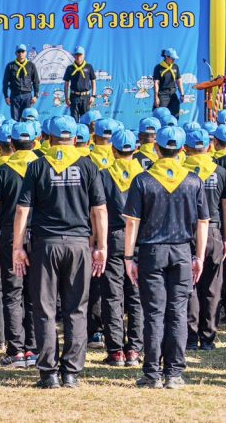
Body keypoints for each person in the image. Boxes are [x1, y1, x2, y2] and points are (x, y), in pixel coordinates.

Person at [12, 115, 107, 389]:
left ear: (46, 138)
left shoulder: (37, 166)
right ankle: (71, 373)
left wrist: (17, 247)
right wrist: (101, 246)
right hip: (78, 244)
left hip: (46, 244)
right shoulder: (88, 165)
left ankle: (49, 374)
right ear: (75, 139)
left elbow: (22, 210)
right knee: (76, 309)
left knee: (45, 309)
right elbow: (99, 210)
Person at [124, 126, 209, 389]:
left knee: (154, 313)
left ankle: (152, 373)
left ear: (156, 149)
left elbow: (132, 222)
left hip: (152, 252)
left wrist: (128, 257)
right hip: (182, 251)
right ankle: (174, 373)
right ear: (182, 150)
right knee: (177, 312)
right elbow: (203, 222)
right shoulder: (193, 180)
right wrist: (199, 256)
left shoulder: (143, 180)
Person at [0, 122, 39, 368]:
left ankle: (16, 350)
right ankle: (34, 348)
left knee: (12, 292)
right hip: (38, 235)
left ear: (11, 143)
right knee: (35, 293)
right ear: (35, 142)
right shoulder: (44, 166)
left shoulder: (1, 171)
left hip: (10, 235)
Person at [97, 129, 145, 368]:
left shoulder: (103, 175)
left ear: (113, 151)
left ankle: (115, 350)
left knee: (112, 296)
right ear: (135, 149)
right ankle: (134, 349)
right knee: (136, 295)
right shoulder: (145, 175)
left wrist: (98, 242)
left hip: (112, 238)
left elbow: (97, 211)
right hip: (139, 239)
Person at [182, 128, 226, 351]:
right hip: (213, 231)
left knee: (189, 284)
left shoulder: (180, 171)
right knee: (212, 286)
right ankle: (208, 338)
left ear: (185, 148)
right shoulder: (220, 172)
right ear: (210, 146)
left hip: (186, 232)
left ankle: (190, 337)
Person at [2, 44, 40, 121]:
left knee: (28, 119)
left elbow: (36, 81)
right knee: (15, 120)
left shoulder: (31, 65)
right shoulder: (10, 66)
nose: (21, 53)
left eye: (22, 51)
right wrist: (6, 96)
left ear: (26, 52)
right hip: (15, 96)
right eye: (19, 51)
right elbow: (5, 82)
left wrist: (36, 95)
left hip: (27, 96)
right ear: (15, 53)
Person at [63, 46, 97, 122]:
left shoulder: (89, 67)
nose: (78, 57)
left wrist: (93, 96)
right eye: (77, 55)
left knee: (86, 120)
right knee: (74, 120)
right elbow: (66, 84)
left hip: (86, 97)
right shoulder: (70, 68)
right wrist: (66, 98)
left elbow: (93, 81)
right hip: (74, 97)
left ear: (84, 55)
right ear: (74, 55)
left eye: (80, 55)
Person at [153, 49, 184, 119]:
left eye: (175, 58)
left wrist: (182, 94)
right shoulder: (158, 67)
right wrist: (156, 97)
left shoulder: (175, 66)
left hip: (173, 94)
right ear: (166, 57)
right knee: (162, 116)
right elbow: (156, 83)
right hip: (162, 95)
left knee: (175, 116)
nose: (174, 60)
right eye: (172, 58)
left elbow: (179, 81)